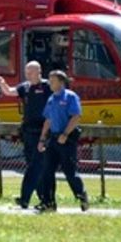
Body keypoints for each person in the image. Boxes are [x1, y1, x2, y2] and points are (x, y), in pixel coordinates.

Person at [0, 61, 53, 210]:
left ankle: (25, 198)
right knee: (33, 166)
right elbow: (10, 91)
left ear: (39, 72)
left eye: (31, 72)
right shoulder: (25, 87)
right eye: (27, 72)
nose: (28, 75)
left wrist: (45, 136)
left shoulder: (48, 87)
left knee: (36, 167)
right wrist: (2, 84)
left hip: (43, 132)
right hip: (28, 132)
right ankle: (45, 201)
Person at [38, 70, 90, 212]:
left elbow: (76, 117)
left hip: (67, 139)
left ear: (61, 82)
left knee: (69, 171)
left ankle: (81, 195)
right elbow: (48, 120)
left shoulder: (70, 97)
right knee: (47, 171)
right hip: (53, 138)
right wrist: (42, 139)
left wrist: (66, 134)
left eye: (53, 81)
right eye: (49, 80)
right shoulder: (51, 99)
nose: (50, 83)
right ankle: (48, 203)